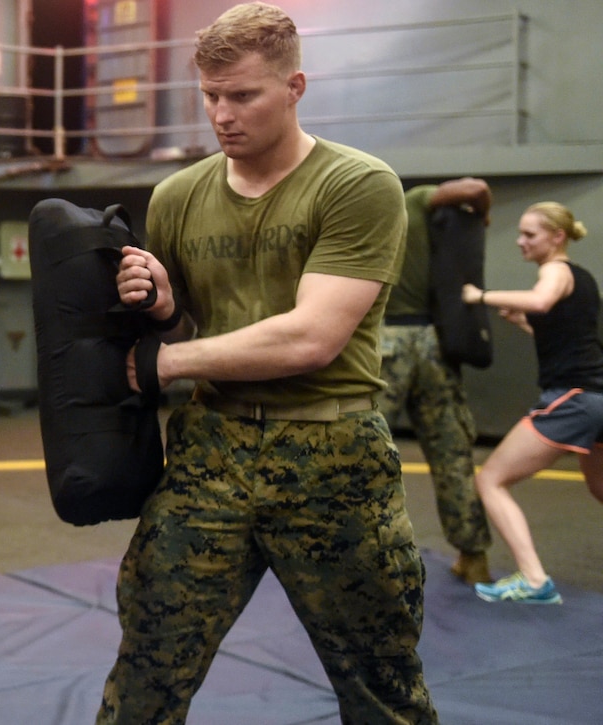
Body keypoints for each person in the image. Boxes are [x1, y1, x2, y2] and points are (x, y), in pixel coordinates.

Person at [101, 3, 438, 723]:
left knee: (382, 687)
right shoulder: (177, 195)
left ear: (295, 87)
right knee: (146, 670)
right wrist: (162, 306)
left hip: (331, 452)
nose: (222, 114)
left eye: (243, 95)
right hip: (211, 450)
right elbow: (192, 320)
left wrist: (164, 359)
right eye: (210, 96)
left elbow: (310, 338)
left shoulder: (356, 184)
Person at [463, 202, 603, 605]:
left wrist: (479, 295)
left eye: (529, 234)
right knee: (600, 486)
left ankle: (534, 580)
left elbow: (540, 301)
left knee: (490, 479)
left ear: (556, 238)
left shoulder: (555, 271)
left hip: (573, 398)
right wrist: (522, 322)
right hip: (597, 394)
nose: (521, 241)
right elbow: (563, 332)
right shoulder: (583, 278)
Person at [379, 178, 494, 585]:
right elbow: (477, 189)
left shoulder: (401, 204)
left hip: (386, 342)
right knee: (452, 454)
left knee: (363, 454)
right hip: (432, 343)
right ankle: (473, 555)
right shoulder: (420, 209)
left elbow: (472, 186)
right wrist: (482, 214)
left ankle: (364, 556)